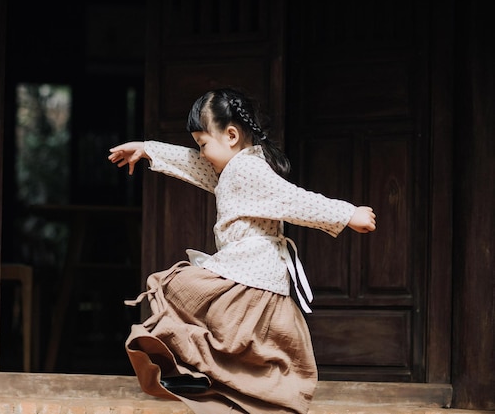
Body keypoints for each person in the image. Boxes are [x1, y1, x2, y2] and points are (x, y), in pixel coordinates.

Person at [108, 88, 376, 414]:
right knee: (246, 346)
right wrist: (149, 150)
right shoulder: (235, 168)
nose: (201, 152)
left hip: (250, 281)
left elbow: (294, 200)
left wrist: (347, 215)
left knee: (177, 288)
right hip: (251, 279)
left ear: (231, 135)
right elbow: (196, 165)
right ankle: (205, 378)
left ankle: (202, 375)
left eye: (203, 143)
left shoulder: (247, 171)